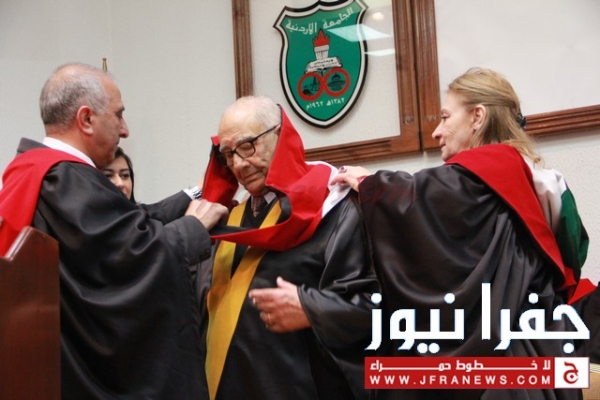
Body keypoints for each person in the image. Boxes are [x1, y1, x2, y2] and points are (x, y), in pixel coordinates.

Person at [334, 67, 589, 400]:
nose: (437, 132)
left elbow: (419, 200)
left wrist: (370, 185)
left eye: (445, 117)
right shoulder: (541, 181)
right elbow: (574, 255)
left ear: (477, 117)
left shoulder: (475, 178)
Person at [0, 62, 229, 399]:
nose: (125, 130)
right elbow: (131, 254)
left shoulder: (33, 170)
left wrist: (193, 195)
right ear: (86, 119)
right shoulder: (66, 180)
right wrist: (192, 228)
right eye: (118, 114)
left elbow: (127, 221)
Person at [198, 95, 380, 400]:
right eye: (228, 154)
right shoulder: (229, 219)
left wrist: (311, 308)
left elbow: (371, 308)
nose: (238, 165)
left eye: (248, 146)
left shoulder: (334, 209)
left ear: (280, 136)